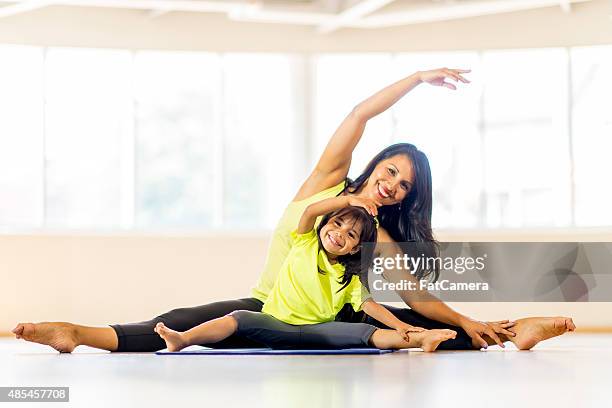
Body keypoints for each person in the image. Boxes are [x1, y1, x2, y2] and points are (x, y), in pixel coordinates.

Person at [12, 68, 575, 353]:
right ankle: (76, 333)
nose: (394, 187)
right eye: (390, 173)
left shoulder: (377, 235)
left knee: (424, 327)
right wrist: (416, 79)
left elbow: (416, 297)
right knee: (177, 320)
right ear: (374, 166)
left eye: (405, 187)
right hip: (269, 301)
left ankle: (514, 328)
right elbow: (357, 115)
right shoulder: (326, 183)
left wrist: (464, 319)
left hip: (328, 313)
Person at [154, 196, 457, 352]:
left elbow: (370, 307)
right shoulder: (306, 240)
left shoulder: (348, 277)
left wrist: (403, 325)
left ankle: (420, 340)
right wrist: (349, 201)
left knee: (368, 334)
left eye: (351, 235)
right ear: (326, 224)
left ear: (355, 249)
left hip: (319, 331)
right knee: (237, 318)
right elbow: (311, 211)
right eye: (337, 224)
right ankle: (183, 339)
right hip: (276, 323)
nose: (340, 234)